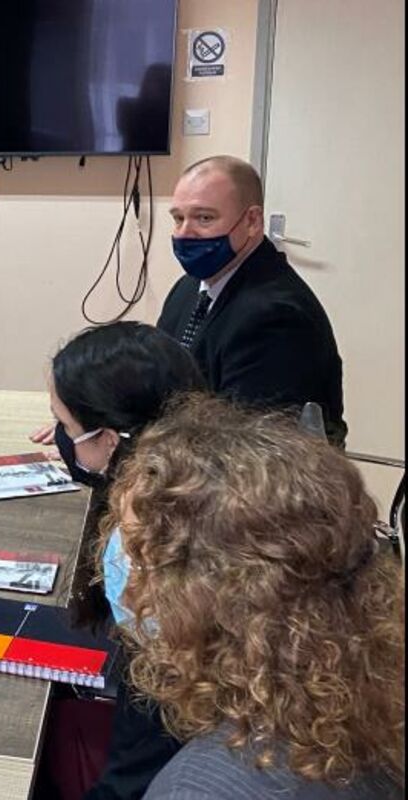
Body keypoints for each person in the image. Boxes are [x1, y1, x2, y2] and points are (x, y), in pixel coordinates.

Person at [106, 395, 403, 798]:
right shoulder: (368, 686)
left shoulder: (200, 789)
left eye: (138, 558)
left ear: (206, 596)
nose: (125, 582)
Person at [38, 321, 206, 800]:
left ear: (110, 440)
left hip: (168, 731)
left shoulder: (150, 547)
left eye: (66, 426)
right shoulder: (193, 479)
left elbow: (141, 764)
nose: (60, 438)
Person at [157, 155, 346, 445]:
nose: (185, 233)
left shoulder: (276, 316)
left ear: (252, 221)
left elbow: (246, 447)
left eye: (204, 218)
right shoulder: (188, 288)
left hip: (249, 467)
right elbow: (159, 382)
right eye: (178, 218)